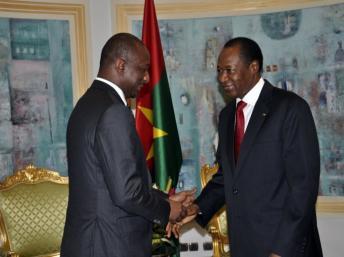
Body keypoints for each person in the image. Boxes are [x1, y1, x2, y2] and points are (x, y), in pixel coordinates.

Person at [178, 37, 323, 257]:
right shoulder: (227, 116)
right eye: (219, 71)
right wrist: (196, 208)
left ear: (253, 67)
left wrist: (281, 249)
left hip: (284, 246)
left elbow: (303, 187)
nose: (222, 78)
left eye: (229, 70)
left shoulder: (290, 108)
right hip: (244, 244)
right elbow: (228, 177)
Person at [61, 33, 194, 257]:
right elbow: (126, 193)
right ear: (121, 65)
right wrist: (167, 209)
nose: (147, 77)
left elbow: (109, 181)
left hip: (88, 244)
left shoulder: (86, 104)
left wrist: (165, 199)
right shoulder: (114, 112)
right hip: (110, 245)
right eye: (143, 69)